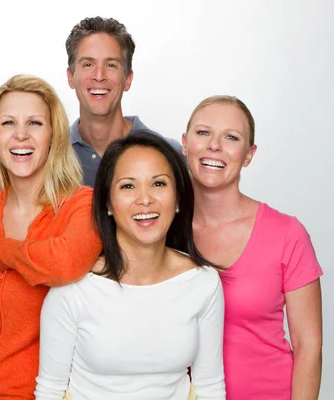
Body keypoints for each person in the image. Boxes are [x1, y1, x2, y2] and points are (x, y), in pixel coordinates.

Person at [0, 75, 102, 400]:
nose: (20, 135)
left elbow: (65, 263)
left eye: (34, 123)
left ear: (54, 135)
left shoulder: (81, 205)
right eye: (7, 123)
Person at [35, 131, 225, 399]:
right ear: (108, 204)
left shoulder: (203, 283)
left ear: (179, 199)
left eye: (158, 184)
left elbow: (210, 386)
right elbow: (49, 391)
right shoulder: (73, 288)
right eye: (128, 186)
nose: (144, 199)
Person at [182, 96, 323, 399]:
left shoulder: (287, 234)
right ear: (184, 143)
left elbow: (308, 346)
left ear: (249, 154)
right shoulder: (161, 229)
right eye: (203, 132)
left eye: (231, 137)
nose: (214, 146)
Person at [65, 16, 183, 187]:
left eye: (111, 65)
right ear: (70, 77)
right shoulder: (50, 157)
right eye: (88, 64)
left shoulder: (171, 154)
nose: (99, 76)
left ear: (127, 79)